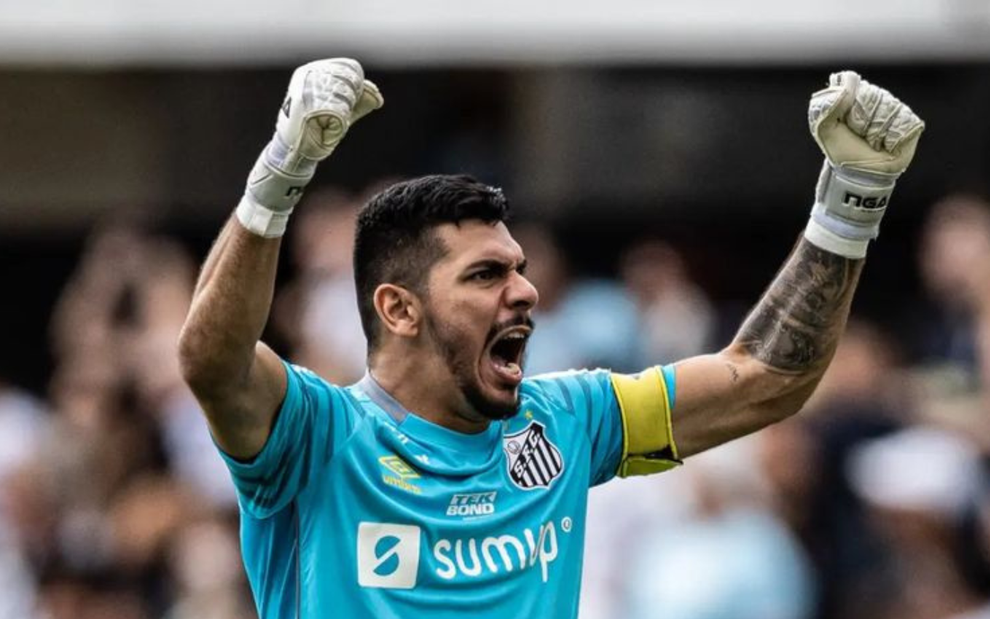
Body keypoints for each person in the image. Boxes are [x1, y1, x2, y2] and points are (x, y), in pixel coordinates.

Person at [177, 59, 924, 619]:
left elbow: (764, 379)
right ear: (399, 310)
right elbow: (212, 358)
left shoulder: (568, 421)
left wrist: (851, 203)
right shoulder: (317, 435)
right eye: (485, 275)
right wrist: (279, 177)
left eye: (520, 269)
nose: (525, 291)